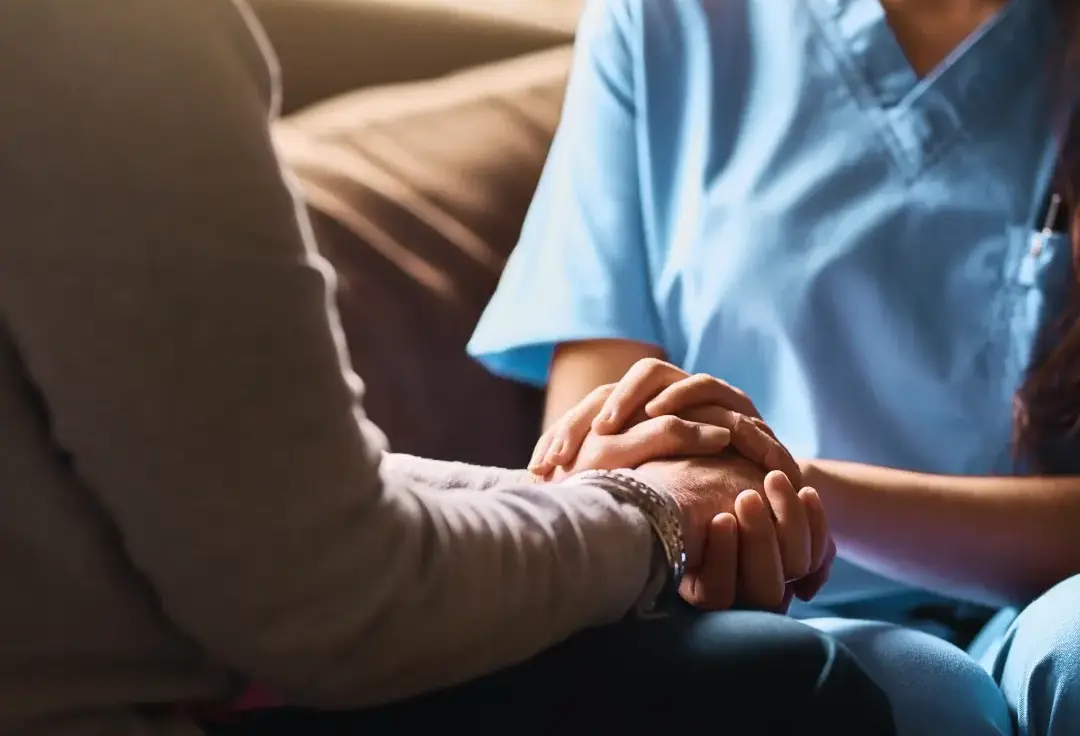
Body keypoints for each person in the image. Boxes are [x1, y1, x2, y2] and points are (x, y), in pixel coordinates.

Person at [0, 1, 900, 735]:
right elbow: (330, 596)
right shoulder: (110, 37)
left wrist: (616, 500)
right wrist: (656, 514)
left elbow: (276, 500)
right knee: (791, 683)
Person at [468, 0, 1080, 734]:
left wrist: (785, 489)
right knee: (908, 695)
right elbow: (595, 451)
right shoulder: (663, 21)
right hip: (751, 611)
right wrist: (692, 510)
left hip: (1049, 601)